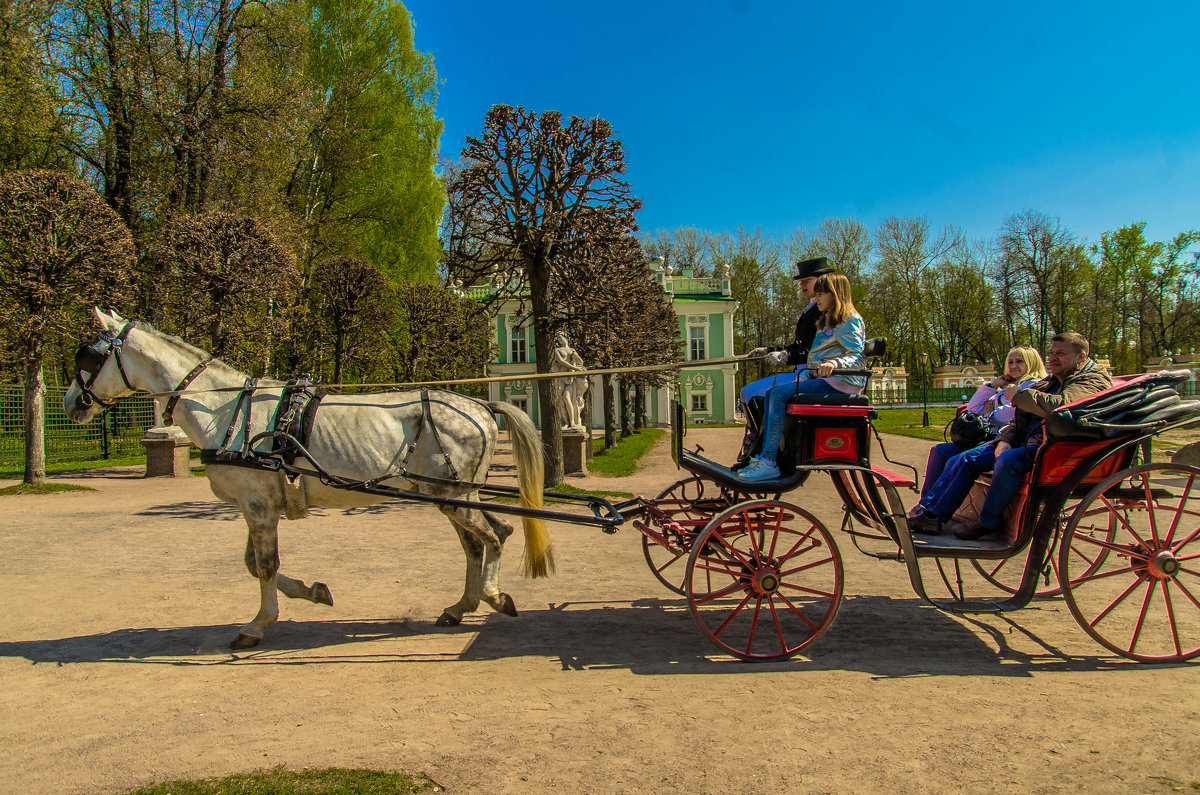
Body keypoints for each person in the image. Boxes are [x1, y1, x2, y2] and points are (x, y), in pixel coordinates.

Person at [908, 332, 1111, 540]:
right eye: (1051, 353)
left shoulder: (1090, 381)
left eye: (1060, 353)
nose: (1052, 358)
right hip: (1028, 439)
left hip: (1058, 447)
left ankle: (986, 522)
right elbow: (1015, 416)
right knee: (956, 455)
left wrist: (1017, 397)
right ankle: (928, 512)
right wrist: (1004, 438)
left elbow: (1061, 407)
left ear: (1081, 357)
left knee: (1003, 459)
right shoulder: (1054, 380)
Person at [738, 273, 866, 483]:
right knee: (773, 394)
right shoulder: (827, 320)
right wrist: (811, 371)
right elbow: (819, 355)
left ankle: (768, 461)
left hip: (841, 385)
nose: (817, 298)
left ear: (835, 294)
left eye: (822, 294)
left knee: (777, 395)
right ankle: (764, 456)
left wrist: (834, 364)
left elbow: (857, 355)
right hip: (826, 380)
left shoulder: (849, 319)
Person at [734, 257, 835, 464]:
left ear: (823, 280)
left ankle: (763, 449)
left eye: (807, 281)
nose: (802, 285)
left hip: (811, 375)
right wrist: (770, 350)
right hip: (802, 372)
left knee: (750, 392)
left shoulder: (826, 311)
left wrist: (786, 355)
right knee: (747, 392)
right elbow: (800, 344)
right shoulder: (812, 308)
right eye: (800, 282)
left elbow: (813, 349)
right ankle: (759, 444)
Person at [917, 346, 1047, 499]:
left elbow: (1010, 413)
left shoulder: (1034, 385)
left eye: (1019, 361)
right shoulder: (1008, 386)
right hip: (986, 436)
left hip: (1005, 440)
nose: (1013, 366)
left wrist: (987, 413)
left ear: (1032, 362)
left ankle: (932, 508)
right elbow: (973, 408)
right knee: (939, 451)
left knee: (958, 459)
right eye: (1010, 362)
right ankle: (924, 503)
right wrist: (992, 385)